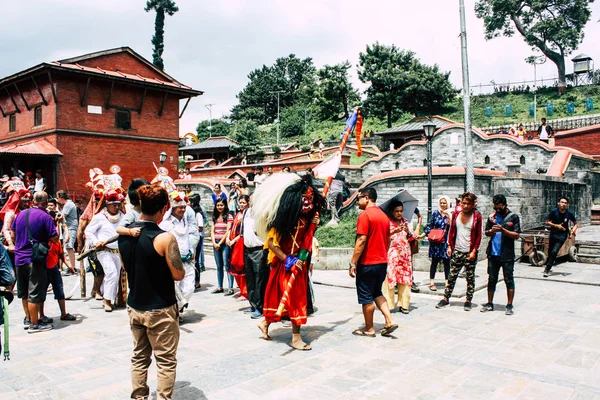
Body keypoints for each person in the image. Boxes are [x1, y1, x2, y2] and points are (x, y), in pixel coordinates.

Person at [118, 184, 185, 400]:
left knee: (139, 357)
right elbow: (178, 274)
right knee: (165, 360)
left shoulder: (125, 234)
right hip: (160, 308)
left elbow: (126, 266)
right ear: (164, 208)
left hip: (135, 304)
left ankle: (139, 397)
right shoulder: (165, 238)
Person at [253, 173, 324, 350]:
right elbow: (270, 243)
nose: (307, 202)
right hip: (284, 265)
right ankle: (295, 338)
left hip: (299, 265)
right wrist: (288, 260)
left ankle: (267, 324)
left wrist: (314, 223)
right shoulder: (281, 220)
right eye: (304, 198)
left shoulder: (307, 219)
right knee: (288, 299)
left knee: (295, 298)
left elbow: (306, 240)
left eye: (310, 198)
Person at [349, 187, 397, 337]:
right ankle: (389, 320)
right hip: (382, 262)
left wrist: (353, 262)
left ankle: (369, 328)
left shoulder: (365, 215)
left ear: (367, 198)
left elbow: (361, 240)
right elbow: (388, 239)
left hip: (368, 263)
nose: (357, 201)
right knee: (377, 292)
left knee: (366, 296)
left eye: (358, 198)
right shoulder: (384, 216)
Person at [11, 191, 58, 333]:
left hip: (19, 258)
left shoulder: (20, 215)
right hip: (35, 258)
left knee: (24, 292)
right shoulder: (46, 216)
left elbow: (13, 235)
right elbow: (55, 239)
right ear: (45, 203)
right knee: (34, 292)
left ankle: (27, 318)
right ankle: (34, 324)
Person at [436, 192, 483, 311]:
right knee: (452, 276)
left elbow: (478, 235)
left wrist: (474, 250)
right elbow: (452, 230)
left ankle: (468, 300)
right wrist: (450, 246)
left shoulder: (477, 217)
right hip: (457, 250)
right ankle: (446, 298)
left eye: (468, 204)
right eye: (463, 203)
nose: (465, 206)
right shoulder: (457, 214)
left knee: (470, 277)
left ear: (473, 205)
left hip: (469, 251)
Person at [84, 189, 125, 312]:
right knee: (111, 272)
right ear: (107, 205)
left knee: (115, 275)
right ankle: (106, 300)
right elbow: (88, 231)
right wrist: (96, 242)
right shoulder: (99, 217)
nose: (117, 207)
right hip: (104, 250)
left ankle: (111, 297)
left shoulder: (123, 216)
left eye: (119, 204)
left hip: (118, 252)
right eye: (114, 205)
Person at [159, 191, 196, 322]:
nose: (182, 210)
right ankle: (175, 313)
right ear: (173, 208)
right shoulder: (165, 224)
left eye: (184, 207)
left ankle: (178, 309)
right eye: (180, 207)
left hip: (187, 259)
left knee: (189, 288)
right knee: (175, 288)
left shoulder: (186, 221)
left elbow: (188, 238)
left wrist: (192, 251)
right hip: (173, 261)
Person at [482, 194, 521, 315]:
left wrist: (503, 230)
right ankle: (489, 303)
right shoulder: (492, 217)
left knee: (508, 278)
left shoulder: (513, 217)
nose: (497, 210)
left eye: (499, 208)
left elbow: (516, 235)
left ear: (504, 205)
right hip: (493, 253)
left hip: (507, 254)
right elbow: (486, 232)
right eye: (495, 208)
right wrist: (491, 231)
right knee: (492, 279)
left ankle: (509, 305)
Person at [40, 209, 76, 322]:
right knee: (41, 292)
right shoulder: (44, 240)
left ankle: (63, 313)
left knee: (60, 291)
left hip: (54, 268)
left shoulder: (57, 241)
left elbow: (61, 255)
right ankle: (41, 315)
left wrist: (69, 265)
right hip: (44, 269)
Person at [382, 200, 414, 314]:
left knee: (405, 279)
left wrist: (408, 232)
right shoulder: (387, 223)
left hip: (404, 256)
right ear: (391, 211)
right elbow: (382, 237)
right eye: (397, 211)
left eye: (401, 211)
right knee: (390, 278)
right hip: (392, 255)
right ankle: (389, 305)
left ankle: (404, 305)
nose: (399, 213)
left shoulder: (406, 222)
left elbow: (412, 239)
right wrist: (393, 231)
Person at [421, 196, 452, 291]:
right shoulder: (435, 213)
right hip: (436, 241)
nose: (442, 205)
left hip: (446, 241)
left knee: (447, 261)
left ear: (448, 203)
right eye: (441, 203)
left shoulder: (451, 214)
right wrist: (423, 234)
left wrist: (449, 217)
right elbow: (430, 225)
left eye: (444, 203)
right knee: (434, 261)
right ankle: (432, 282)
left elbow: (453, 228)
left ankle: (447, 282)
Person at [243, 206, 268, 319]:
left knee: (259, 280)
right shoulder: (246, 212)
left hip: (259, 250)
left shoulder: (262, 213)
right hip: (247, 249)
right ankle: (252, 304)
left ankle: (260, 307)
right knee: (250, 279)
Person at [544, 197, 577, 277]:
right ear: (558, 203)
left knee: (555, 251)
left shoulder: (569, 213)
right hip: (553, 233)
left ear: (567, 205)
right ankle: (551, 261)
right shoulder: (553, 211)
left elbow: (576, 223)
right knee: (550, 251)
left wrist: (573, 231)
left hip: (562, 235)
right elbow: (547, 222)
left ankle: (547, 270)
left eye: (565, 203)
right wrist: (556, 226)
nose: (563, 204)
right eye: (562, 202)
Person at [211, 198, 234, 295]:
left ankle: (230, 287)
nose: (219, 207)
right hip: (215, 243)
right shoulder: (214, 216)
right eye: (218, 205)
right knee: (219, 266)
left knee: (227, 265)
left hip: (224, 244)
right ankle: (220, 286)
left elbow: (228, 231)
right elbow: (212, 231)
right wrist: (214, 243)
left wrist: (219, 243)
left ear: (225, 206)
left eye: (221, 205)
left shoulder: (228, 216)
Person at [56, 190, 78, 276]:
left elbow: (62, 216)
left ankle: (73, 267)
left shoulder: (68, 205)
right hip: (69, 227)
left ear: (61, 197)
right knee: (68, 247)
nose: (57, 200)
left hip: (71, 227)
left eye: (58, 198)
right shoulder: (68, 204)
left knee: (69, 247)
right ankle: (72, 266)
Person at [188, 194, 206, 288]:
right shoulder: (189, 213)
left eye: (189, 202)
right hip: (190, 238)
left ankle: (197, 281)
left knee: (195, 260)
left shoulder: (198, 214)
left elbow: (201, 227)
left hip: (196, 239)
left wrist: (191, 230)